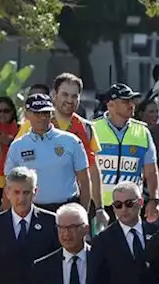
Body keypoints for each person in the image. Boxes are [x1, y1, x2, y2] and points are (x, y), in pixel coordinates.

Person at [3, 94, 90, 212]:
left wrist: (84, 213)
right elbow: (9, 184)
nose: (42, 117)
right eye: (37, 113)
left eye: (46, 113)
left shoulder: (71, 141)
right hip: (33, 211)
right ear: (27, 114)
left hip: (67, 208)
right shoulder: (18, 146)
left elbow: (84, 181)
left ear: (52, 113)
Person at [92, 83, 159, 218]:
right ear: (110, 105)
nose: (131, 105)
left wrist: (154, 199)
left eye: (132, 100)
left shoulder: (143, 132)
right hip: (99, 206)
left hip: (131, 206)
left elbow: (151, 171)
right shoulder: (93, 129)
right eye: (125, 101)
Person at [50, 73, 107, 228]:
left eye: (74, 96)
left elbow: (93, 171)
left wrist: (100, 208)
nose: (70, 100)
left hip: (73, 203)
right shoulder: (36, 123)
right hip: (42, 204)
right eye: (65, 95)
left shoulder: (87, 128)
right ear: (54, 95)